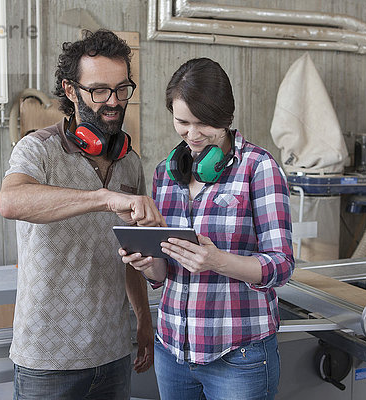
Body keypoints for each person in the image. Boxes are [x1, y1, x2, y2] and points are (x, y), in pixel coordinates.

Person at [0, 29, 165, 400]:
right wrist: (102, 198)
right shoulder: (37, 150)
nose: (114, 101)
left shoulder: (129, 162)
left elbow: (131, 255)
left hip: (113, 350)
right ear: (70, 91)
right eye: (100, 90)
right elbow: (11, 201)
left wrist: (143, 319)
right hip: (47, 358)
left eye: (122, 89)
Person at [120, 57, 295, 400]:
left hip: (238, 355)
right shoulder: (165, 174)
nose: (193, 135)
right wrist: (149, 264)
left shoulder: (258, 168)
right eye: (182, 122)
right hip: (172, 351)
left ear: (226, 118)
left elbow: (282, 265)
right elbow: (164, 272)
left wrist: (218, 261)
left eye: (204, 124)